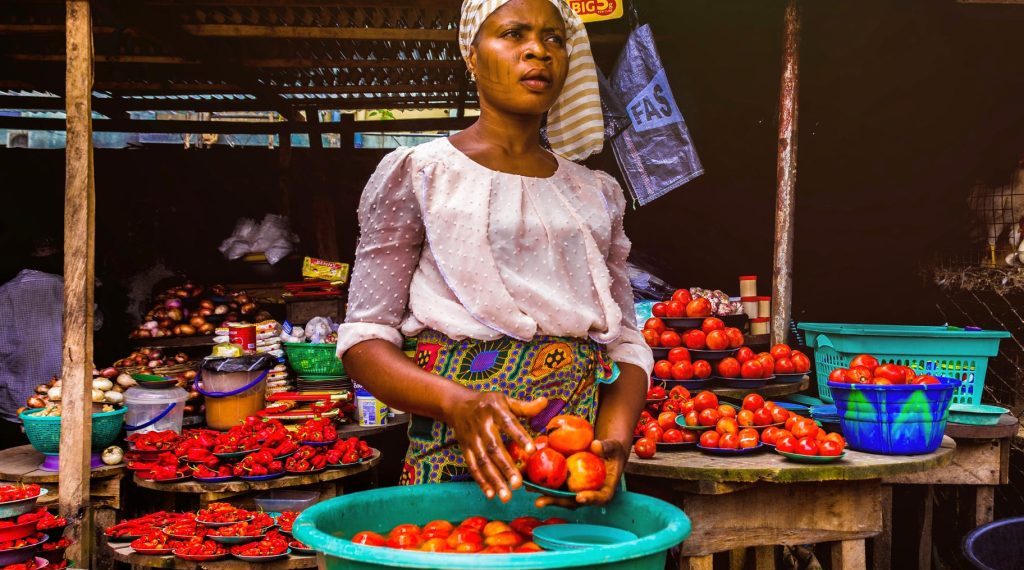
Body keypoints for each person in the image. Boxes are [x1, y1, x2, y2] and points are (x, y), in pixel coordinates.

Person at [337, 0, 653, 507]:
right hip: (457, 460)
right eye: (513, 34)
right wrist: (459, 404)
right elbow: (363, 340)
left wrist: (612, 442)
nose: (538, 51)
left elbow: (626, 344)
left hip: (573, 470)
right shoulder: (421, 174)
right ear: (472, 56)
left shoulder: (594, 193)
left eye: (553, 39)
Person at [0, 237, 64, 449]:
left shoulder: (4, 292)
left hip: (16, 395)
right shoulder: (64, 286)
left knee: (21, 453)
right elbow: (95, 323)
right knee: (58, 445)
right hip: (59, 395)